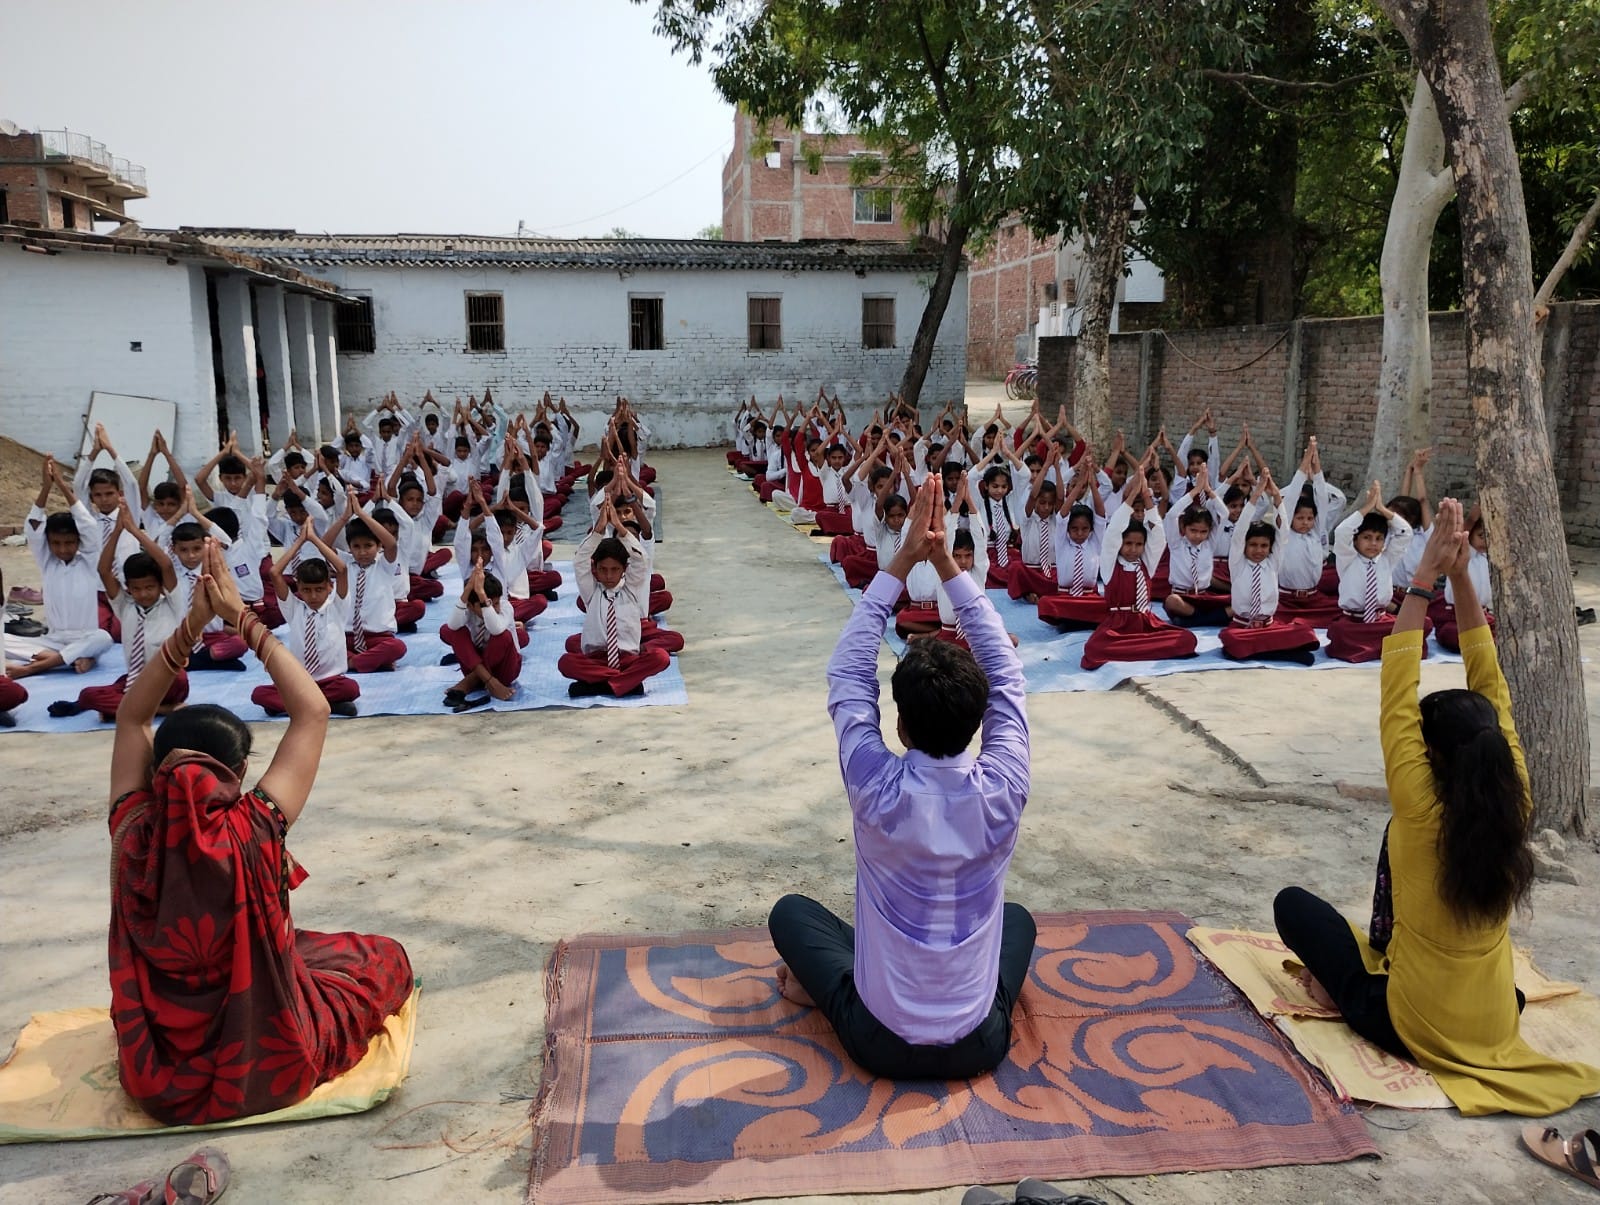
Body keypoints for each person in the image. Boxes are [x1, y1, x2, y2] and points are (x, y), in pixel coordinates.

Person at [1273, 500, 1600, 1116]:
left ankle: (1349, 994)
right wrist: (1460, 577)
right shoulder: (1516, 796)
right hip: (1494, 1018)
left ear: (1433, 756)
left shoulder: (1420, 807)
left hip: (1413, 1023)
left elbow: (1398, 683)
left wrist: (1427, 577)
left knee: (1293, 907)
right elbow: (1490, 682)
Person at [106, 539, 413, 1125]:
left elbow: (131, 715)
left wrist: (192, 627)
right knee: (382, 958)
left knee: (307, 949)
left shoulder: (134, 829)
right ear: (239, 771)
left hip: (157, 1075)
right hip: (265, 1065)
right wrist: (240, 619)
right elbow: (313, 710)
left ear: (156, 768)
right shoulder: (254, 826)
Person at [768, 477, 1035, 1080]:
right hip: (979, 1044)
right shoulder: (1005, 786)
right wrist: (945, 564)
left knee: (792, 914)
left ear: (901, 726)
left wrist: (903, 562)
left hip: (880, 1042)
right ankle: (862, 978)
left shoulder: (875, 787)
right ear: (979, 723)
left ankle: (834, 987)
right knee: (1017, 920)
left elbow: (848, 676)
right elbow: (1008, 676)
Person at [49, 503, 187, 721]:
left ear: (160, 586)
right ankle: (161, 710)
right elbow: (103, 570)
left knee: (177, 678)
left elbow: (166, 565)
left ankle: (126, 708)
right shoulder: (126, 606)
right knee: (88, 695)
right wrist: (117, 531)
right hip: (137, 678)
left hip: (167, 680)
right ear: (128, 588)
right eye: (136, 589)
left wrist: (134, 530)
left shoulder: (172, 605)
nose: (143, 594)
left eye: (149, 587)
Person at [1080, 470, 1198, 670]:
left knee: (1187, 639)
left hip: (1146, 624)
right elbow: (1113, 531)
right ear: (1120, 544)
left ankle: (1132, 650)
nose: (1133, 550)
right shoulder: (1110, 565)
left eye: (1138, 544)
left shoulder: (1146, 564)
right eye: (1128, 544)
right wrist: (1133, 495)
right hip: (1117, 627)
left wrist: (1147, 498)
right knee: (1093, 648)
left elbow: (1158, 534)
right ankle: (1140, 650)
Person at [558, 500, 674, 698]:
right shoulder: (592, 592)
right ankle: (624, 683)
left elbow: (641, 559)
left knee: (660, 657)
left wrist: (619, 527)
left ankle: (600, 685)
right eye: (603, 569)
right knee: (566, 662)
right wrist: (599, 530)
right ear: (595, 569)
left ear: (624, 569)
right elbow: (580, 560)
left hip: (627, 658)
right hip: (596, 659)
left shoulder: (632, 588)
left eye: (615, 569)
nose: (609, 576)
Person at [15, 456, 114, 679]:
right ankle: (73, 658)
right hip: (53, 639)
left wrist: (61, 485)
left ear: (78, 541)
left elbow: (88, 525)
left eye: (69, 543)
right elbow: (33, 528)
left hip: (86, 637)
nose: (62, 549)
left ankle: (36, 667)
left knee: (104, 638)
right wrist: (46, 487)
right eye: (56, 543)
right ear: (48, 543)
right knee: (5, 640)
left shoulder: (89, 561)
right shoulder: (47, 562)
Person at [253, 523, 360, 717]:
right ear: (299, 589)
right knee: (259, 694)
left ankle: (297, 705)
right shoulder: (294, 609)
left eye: (319, 589)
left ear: (329, 586)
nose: (313, 596)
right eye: (306, 590)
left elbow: (342, 569)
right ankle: (326, 705)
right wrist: (301, 541)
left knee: (350, 689)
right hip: (299, 681)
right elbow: (275, 573)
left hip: (330, 681)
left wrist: (314, 540)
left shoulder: (336, 607)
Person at [1217, 471, 1321, 664]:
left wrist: (1277, 498)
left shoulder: (1273, 562)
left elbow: (1283, 531)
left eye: (1264, 546)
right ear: (1244, 546)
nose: (1259, 550)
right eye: (1253, 545)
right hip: (1243, 627)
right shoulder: (1238, 563)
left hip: (1269, 626)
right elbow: (1240, 531)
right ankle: (1280, 652)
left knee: (1306, 633)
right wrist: (1255, 495)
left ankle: (1260, 650)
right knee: (1231, 638)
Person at [1326, 481, 1416, 662]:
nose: (1373, 544)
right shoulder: (1347, 558)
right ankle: (1377, 648)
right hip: (1353, 622)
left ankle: (1371, 648)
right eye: (1367, 538)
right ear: (1356, 540)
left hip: (1380, 621)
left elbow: (1405, 533)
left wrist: (1382, 509)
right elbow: (1342, 531)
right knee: (1338, 631)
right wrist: (1366, 508)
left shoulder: (1387, 559)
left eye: (1379, 539)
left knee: (1422, 625)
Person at [440, 561, 522, 712]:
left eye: (495, 603)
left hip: (505, 669)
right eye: (484, 605)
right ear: (470, 606)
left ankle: (469, 682)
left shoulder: (505, 607)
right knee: (454, 632)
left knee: (503, 636)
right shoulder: (468, 610)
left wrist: (483, 597)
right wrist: (468, 590)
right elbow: (452, 625)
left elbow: (496, 629)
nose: (493, 608)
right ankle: (486, 681)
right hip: (475, 665)